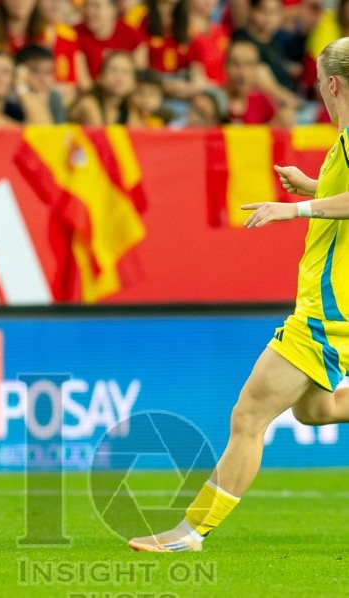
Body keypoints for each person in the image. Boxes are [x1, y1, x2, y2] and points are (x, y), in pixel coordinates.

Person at [129, 36, 349, 553]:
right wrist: (312, 186)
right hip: (330, 302)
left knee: (248, 416)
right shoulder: (342, 141)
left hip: (329, 309)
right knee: (314, 410)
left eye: (319, 83)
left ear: (333, 84)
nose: (318, 91)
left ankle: (190, 532)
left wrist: (294, 209)